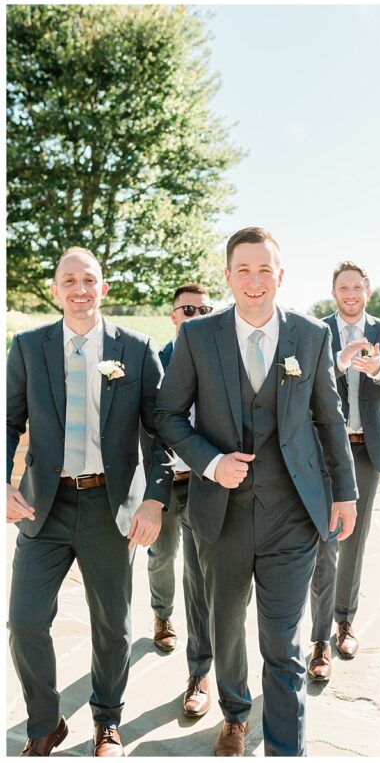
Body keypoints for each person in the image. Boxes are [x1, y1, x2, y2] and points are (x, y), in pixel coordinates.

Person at [155, 227, 358, 756]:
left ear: (280, 276)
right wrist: (211, 461)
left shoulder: (311, 335)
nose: (254, 280)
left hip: (292, 514)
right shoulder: (197, 337)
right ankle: (236, 715)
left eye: (264, 269)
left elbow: (330, 418)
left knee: (282, 642)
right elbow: (167, 414)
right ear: (228, 276)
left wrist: (345, 492)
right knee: (226, 631)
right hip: (219, 516)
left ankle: (287, 749)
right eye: (243, 269)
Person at [7, 247, 172, 756]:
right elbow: (8, 420)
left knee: (113, 626)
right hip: (44, 507)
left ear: (104, 287)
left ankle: (107, 721)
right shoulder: (28, 346)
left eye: (89, 280)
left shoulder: (137, 349)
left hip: (111, 506)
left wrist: (154, 501)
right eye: (69, 281)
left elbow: (161, 432)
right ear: (55, 290)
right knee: (25, 621)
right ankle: (44, 722)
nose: (80, 289)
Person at [307, 261, 380, 681]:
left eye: (356, 287)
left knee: (354, 539)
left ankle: (345, 621)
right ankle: (319, 639)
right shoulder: (316, 331)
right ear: (334, 292)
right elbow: (301, 383)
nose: (350, 294)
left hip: (366, 451)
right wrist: (339, 363)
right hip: (324, 450)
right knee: (325, 541)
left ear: (367, 291)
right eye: (343, 288)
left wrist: (379, 371)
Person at [141, 283, 217, 718]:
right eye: (188, 310)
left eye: (204, 310)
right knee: (162, 553)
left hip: (206, 483)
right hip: (165, 482)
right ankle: (162, 613)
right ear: (173, 316)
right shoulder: (156, 361)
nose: (196, 316)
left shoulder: (218, 359)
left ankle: (199, 672)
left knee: (199, 574)